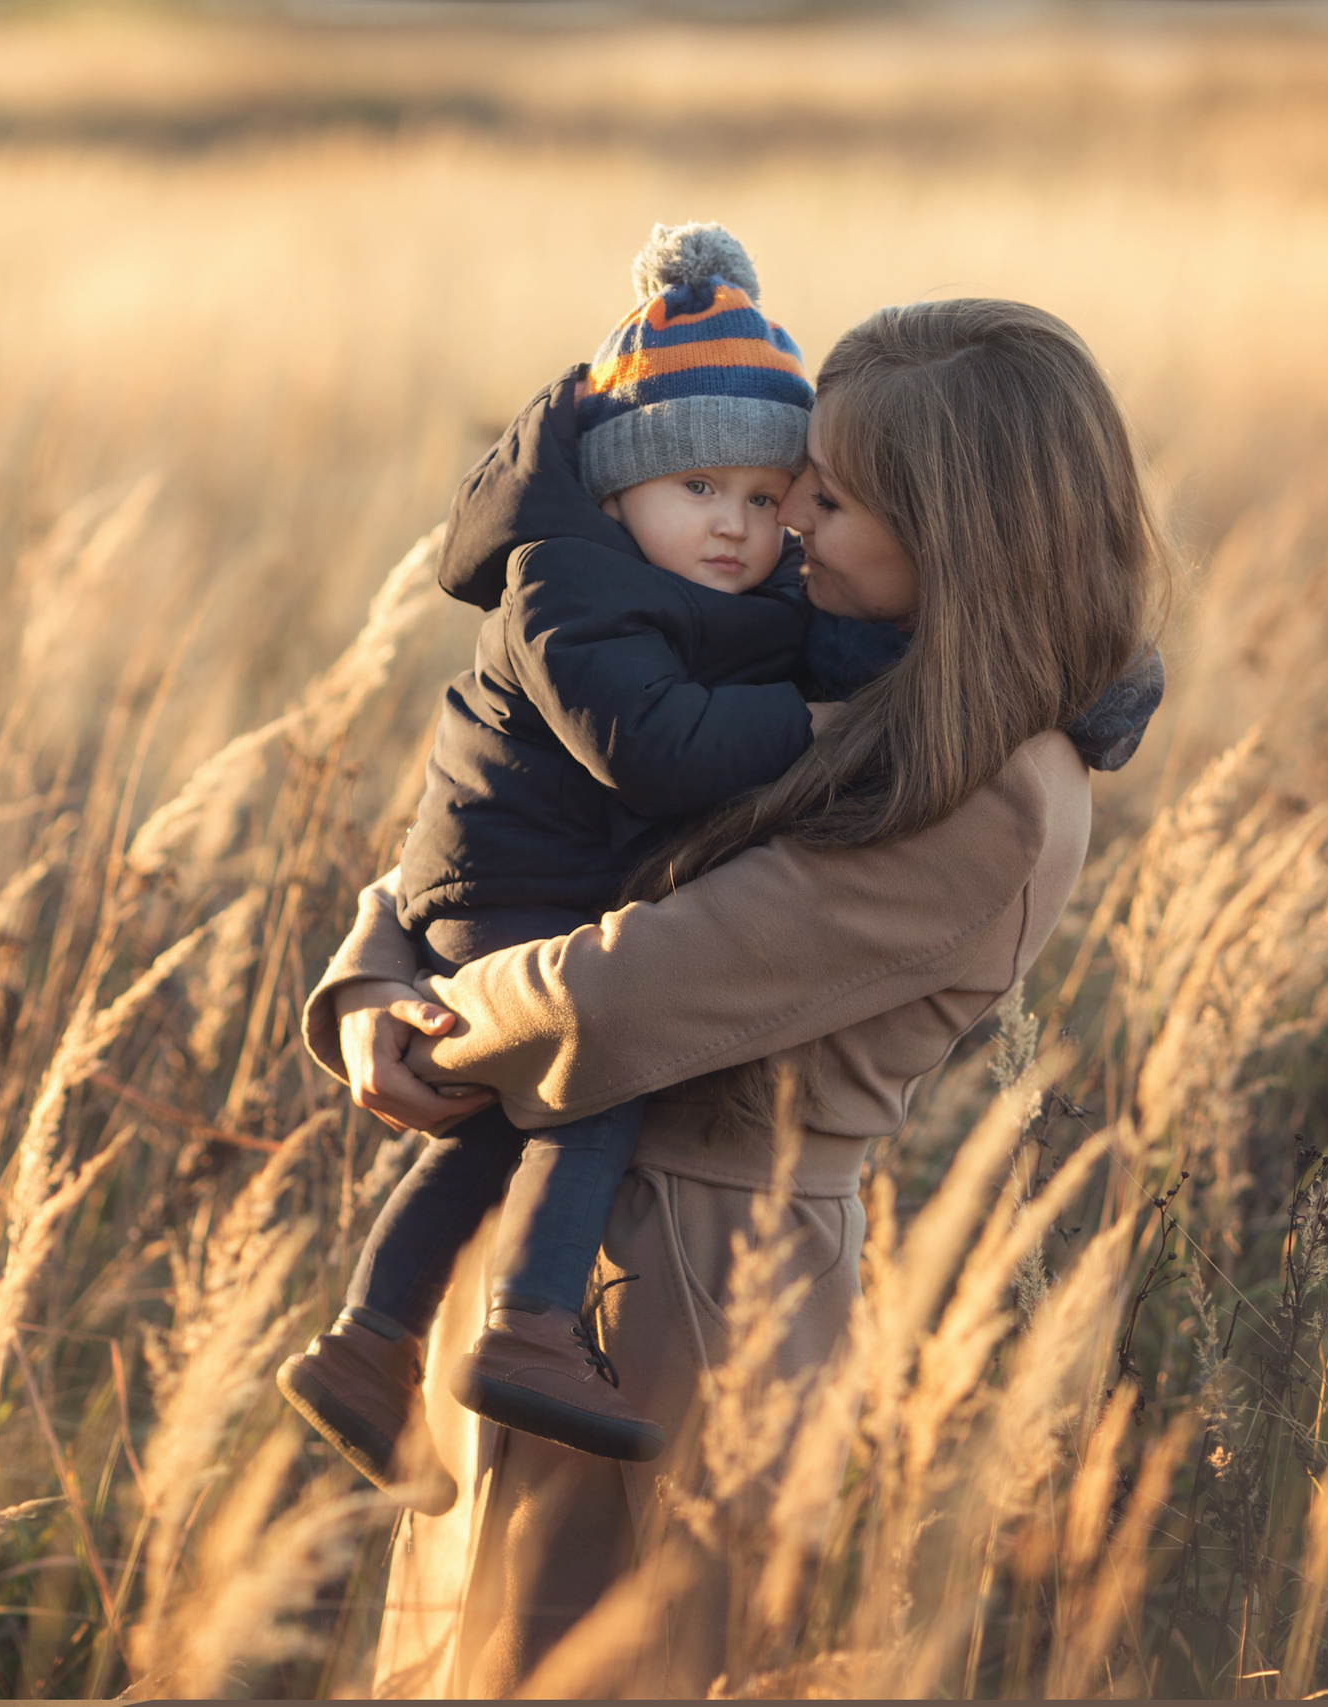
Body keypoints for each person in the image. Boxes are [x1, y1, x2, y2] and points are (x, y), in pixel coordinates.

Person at [303, 296, 1167, 1696]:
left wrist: (429, 1018)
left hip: (699, 1286)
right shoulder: (798, 652)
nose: (790, 523)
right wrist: (367, 982)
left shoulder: (994, 788)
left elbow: (624, 992)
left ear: (952, 529)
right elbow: (512, 825)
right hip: (532, 1246)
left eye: (827, 494)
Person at [280, 222, 833, 1500]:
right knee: (596, 1079)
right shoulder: (569, 586)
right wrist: (820, 724)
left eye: (764, 501)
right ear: (615, 488)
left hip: (519, 884)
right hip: (511, 890)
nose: (735, 529)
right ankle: (527, 1325)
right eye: (697, 491)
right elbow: (655, 748)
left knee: (479, 1137)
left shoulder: (677, 591)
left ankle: (368, 1348)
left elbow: (775, 657)